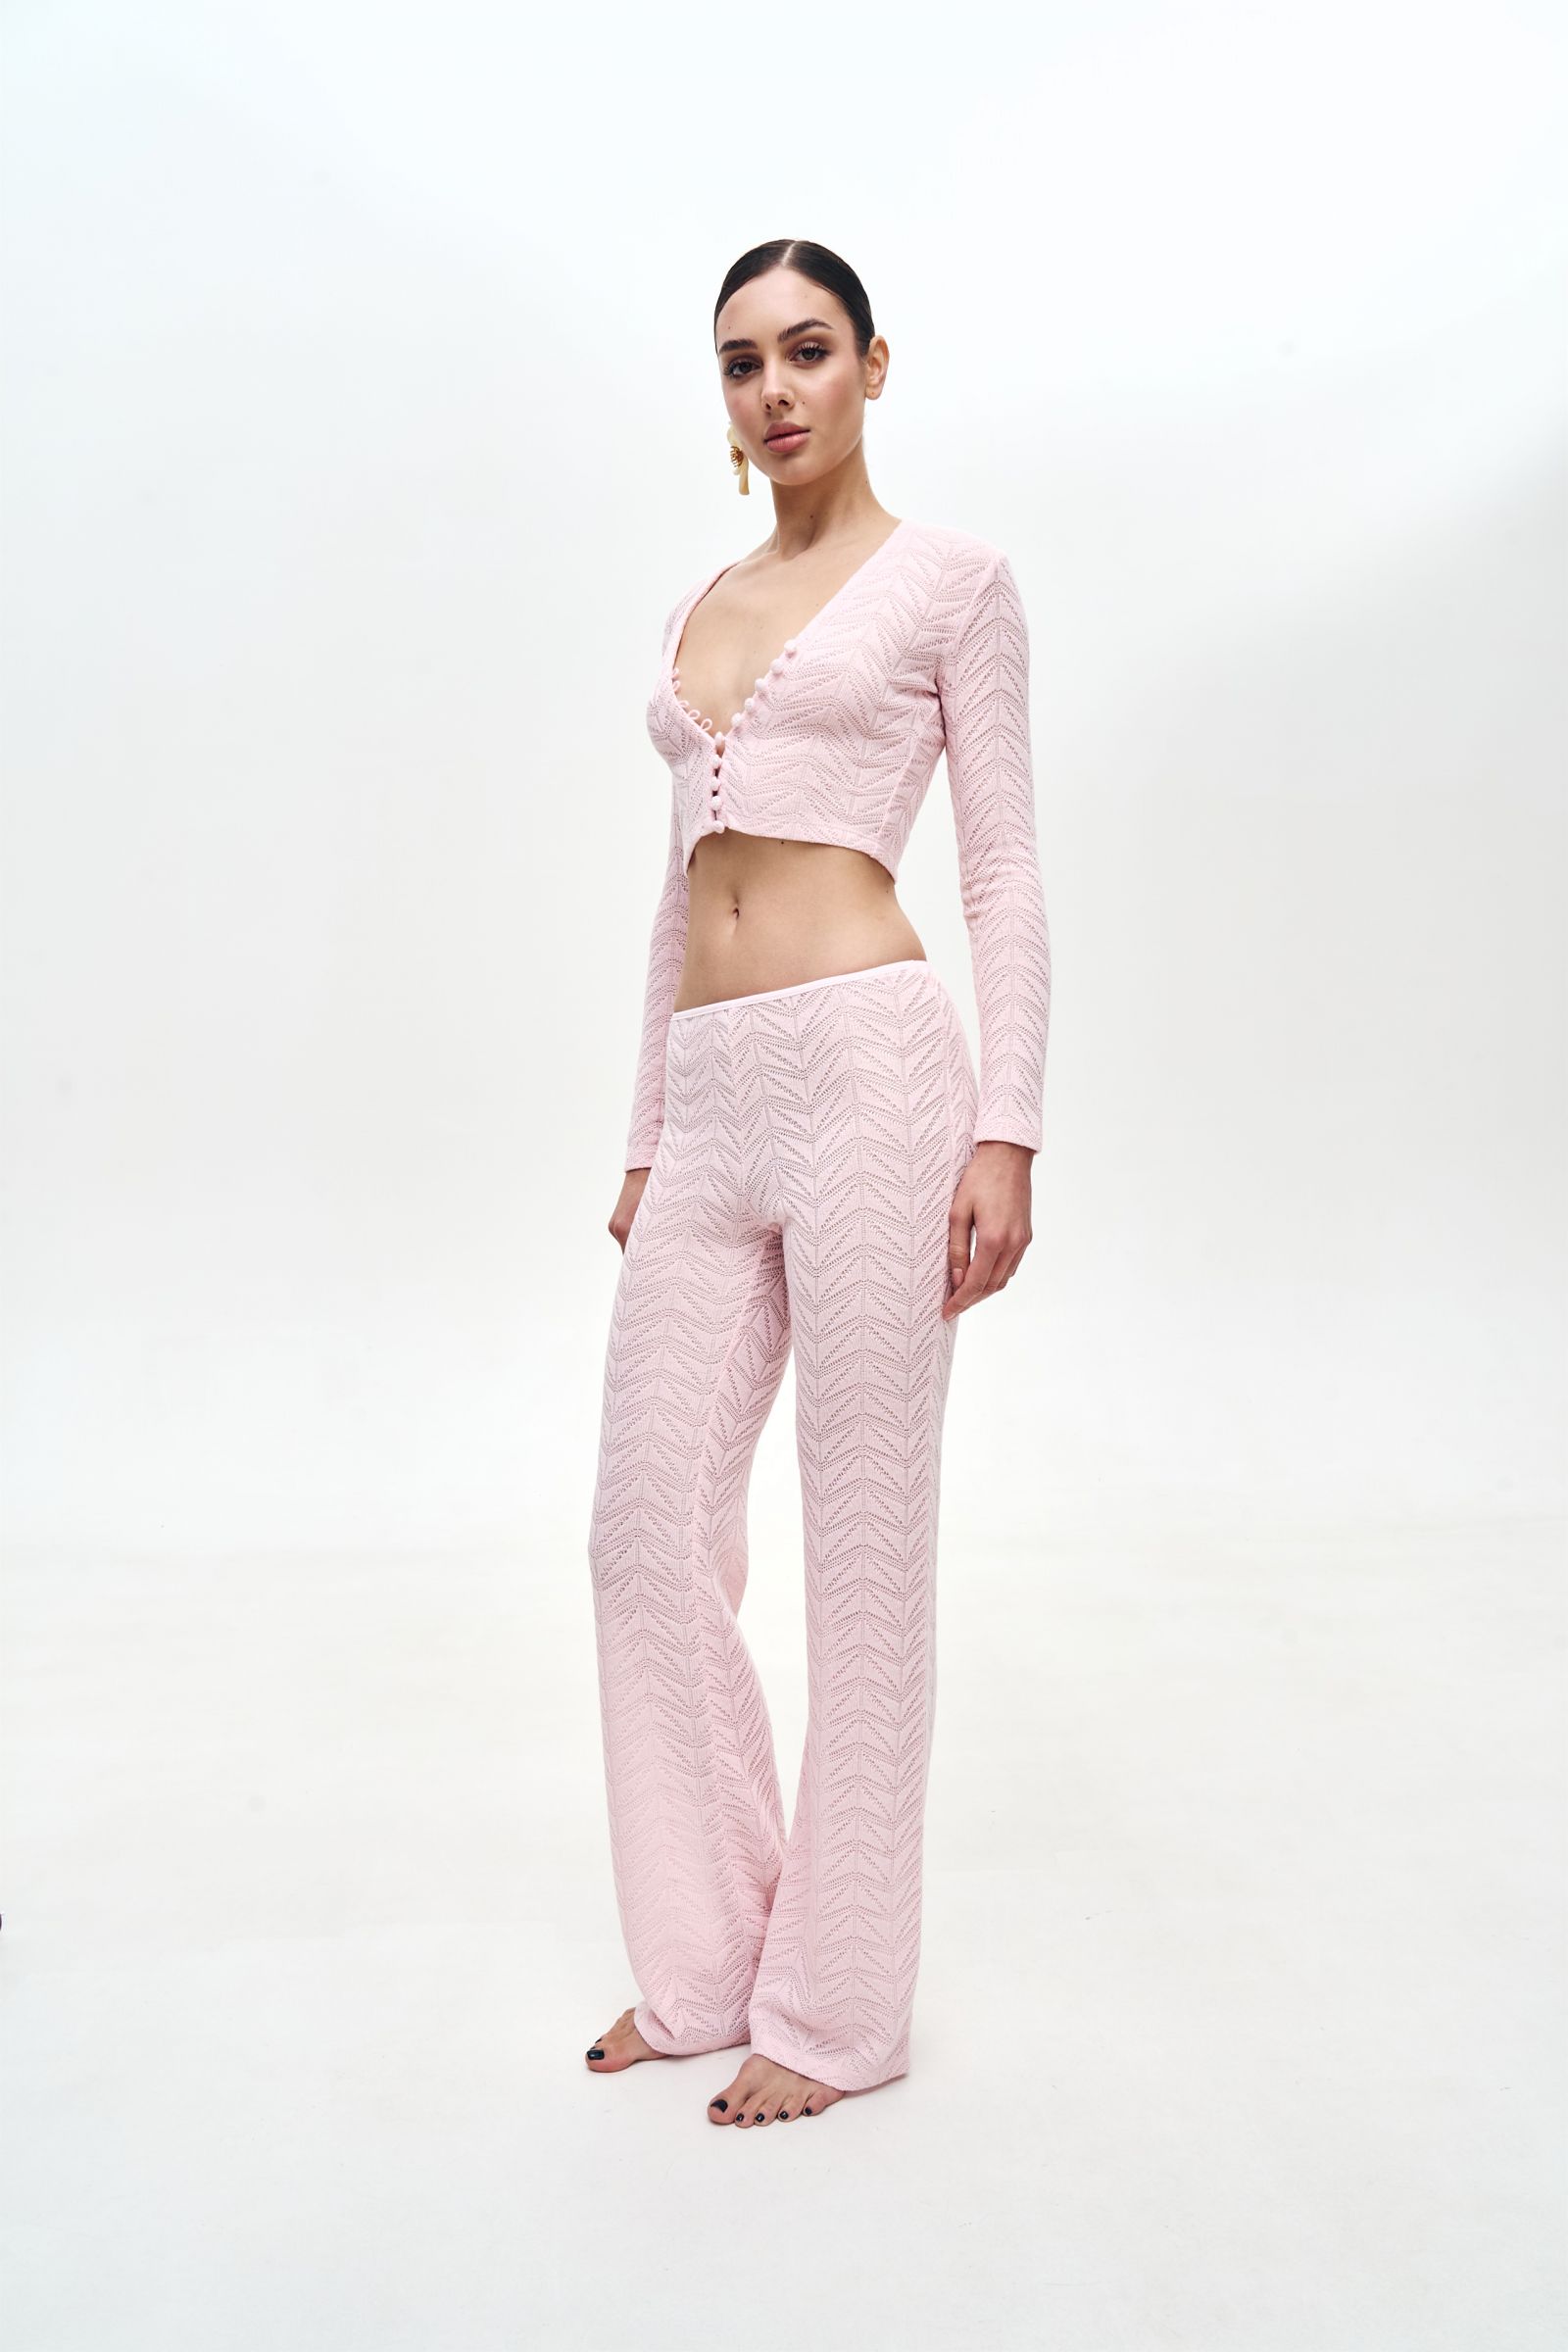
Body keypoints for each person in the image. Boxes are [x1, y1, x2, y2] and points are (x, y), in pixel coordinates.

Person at [584, 237, 1052, 2130]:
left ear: (872, 364)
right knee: (639, 1533)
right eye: (739, 362)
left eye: (806, 350)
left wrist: (1007, 1125)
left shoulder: (955, 584)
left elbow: (1003, 870)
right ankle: (704, 1966)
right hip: (710, 1099)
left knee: (864, 1552)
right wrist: (646, 1132)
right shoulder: (700, 602)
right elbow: (679, 894)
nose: (773, 389)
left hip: (875, 1078)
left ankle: (842, 2011)